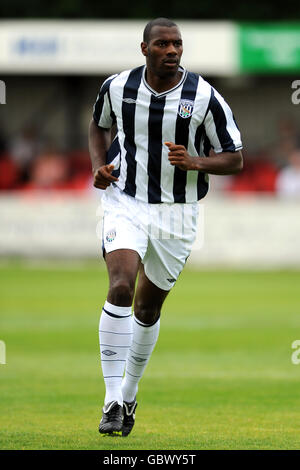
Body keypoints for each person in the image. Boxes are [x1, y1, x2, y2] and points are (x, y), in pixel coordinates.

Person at [88, 17, 243, 437]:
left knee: (147, 307)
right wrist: (98, 168)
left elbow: (234, 157)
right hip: (126, 201)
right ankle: (111, 401)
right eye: (162, 44)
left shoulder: (205, 96)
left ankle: (131, 391)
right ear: (145, 49)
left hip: (179, 212)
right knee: (120, 287)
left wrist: (194, 161)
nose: (172, 50)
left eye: (177, 44)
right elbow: (99, 126)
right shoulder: (117, 87)